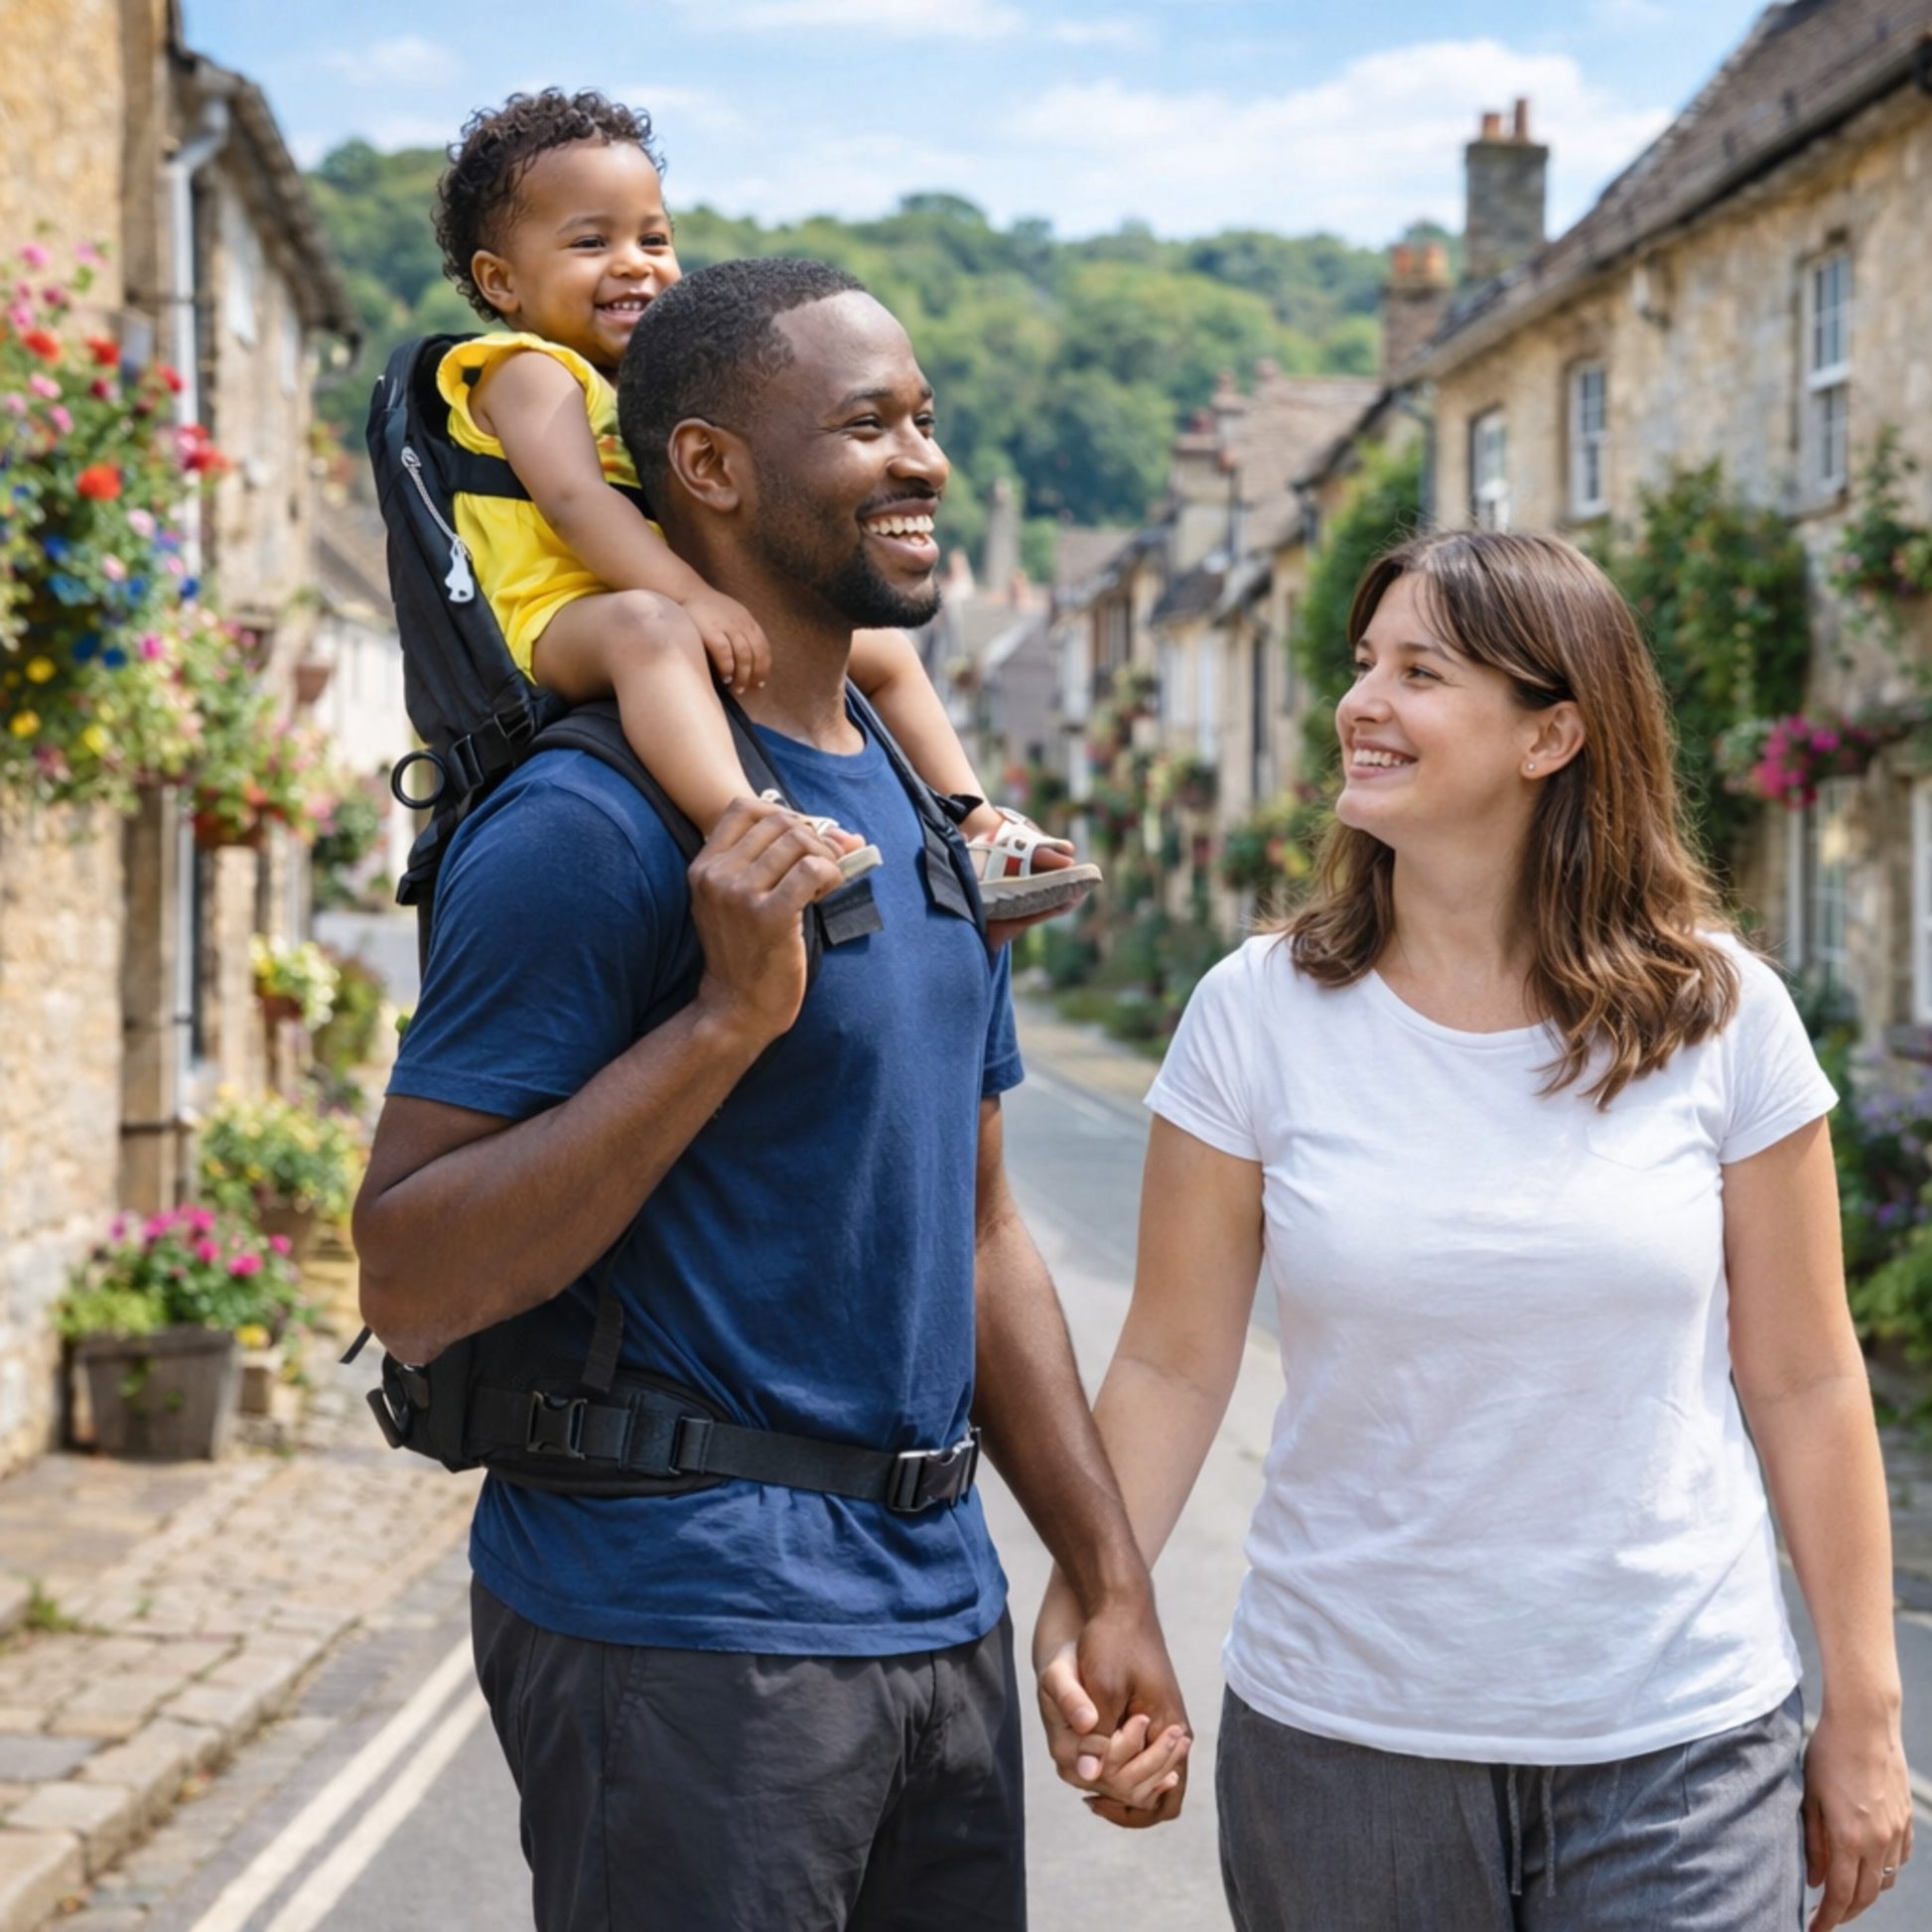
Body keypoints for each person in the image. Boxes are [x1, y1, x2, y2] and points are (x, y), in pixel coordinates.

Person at [353, 254, 1187, 1932]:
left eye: (927, 422)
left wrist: (1105, 1573)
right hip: (681, 1631)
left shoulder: (916, 805)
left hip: (932, 1612)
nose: (923, 461)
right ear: (714, 470)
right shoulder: (587, 827)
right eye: (867, 425)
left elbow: (985, 1229)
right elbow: (409, 1274)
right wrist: (724, 1021)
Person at [1034, 530, 1913, 1929]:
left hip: (1677, 1740)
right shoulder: (1254, 1013)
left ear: (1549, 732)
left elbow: (1805, 1377)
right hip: (1344, 1744)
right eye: (1361, 663)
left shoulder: (1722, 1016)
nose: (1359, 702)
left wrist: (1863, 1713)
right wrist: (1094, 1592)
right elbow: (1170, 1362)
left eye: (1420, 670)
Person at [429, 86, 1097, 917]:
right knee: (653, 633)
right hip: (557, 616)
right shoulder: (523, 370)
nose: (634, 261)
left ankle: (971, 822)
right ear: (501, 280)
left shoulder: (623, 386)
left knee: (883, 654)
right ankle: (747, 820)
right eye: (591, 242)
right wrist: (696, 597)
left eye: (654, 237)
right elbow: (574, 504)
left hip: (645, 601)